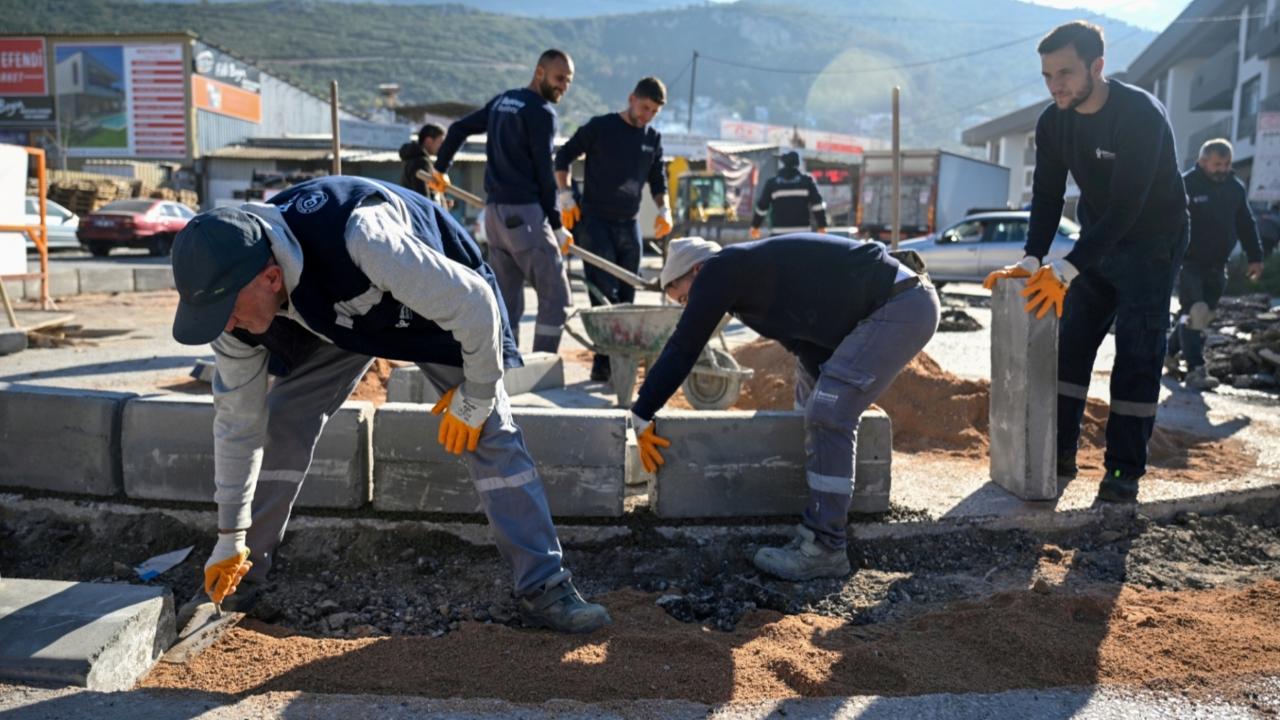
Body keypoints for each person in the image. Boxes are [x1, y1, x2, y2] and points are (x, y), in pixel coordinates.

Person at [170, 175, 611, 634]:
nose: (227, 324)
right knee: (281, 421)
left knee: (489, 431)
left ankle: (546, 587)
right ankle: (240, 579)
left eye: (229, 311)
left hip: (436, 309)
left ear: (271, 277)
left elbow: (476, 305)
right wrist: (228, 536)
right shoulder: (232, 314)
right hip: (341, 316)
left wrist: (477, 396)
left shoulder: (362, 237)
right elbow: (237, 424)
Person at [630, 236, 939, 581]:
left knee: (828, 413)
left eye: (685, 297)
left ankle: (825, 546)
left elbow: (684, 345)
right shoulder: (746, 283)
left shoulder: (721, 269)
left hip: (901, 306)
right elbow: (805, 340)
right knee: (813, 393)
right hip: (891, 306)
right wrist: (822, 393)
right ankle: (811, 526)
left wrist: (643, 411)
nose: (690, 306)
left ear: (697, 270)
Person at [984, 21, 1189, 504]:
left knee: (1137, 354)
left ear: (1097, 67)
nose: (1056, 85)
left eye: (1066, 73)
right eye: (1047, 75)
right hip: (1099, 238)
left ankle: (1123, 471)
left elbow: (1128, 207)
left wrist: (1069, 266)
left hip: (1153, 244)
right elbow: (1048, 195)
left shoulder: (1139, 114)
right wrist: (1034, 259)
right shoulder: (1053, 121)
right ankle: (1059, 453)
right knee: (1071, 347)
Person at [430, 50, 576, 353]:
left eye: (569, 81)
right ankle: (542, 363)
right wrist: (558, 224)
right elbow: (544, 174)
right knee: (556, 296)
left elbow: (458, 129)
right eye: (559, 78)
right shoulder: (541, 112)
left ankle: (504, 363)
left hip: (494, 217)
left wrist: (440, 168)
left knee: (506, 299)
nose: (564, 85)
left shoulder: (503, 101)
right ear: (540, 72)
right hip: (524, 217)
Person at [554, 76, 674, 381]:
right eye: (644, 107)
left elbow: (657, 179)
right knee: (603, 293)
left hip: (628, 223)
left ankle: (623, 357)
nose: (647, 115)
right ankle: (603, 360)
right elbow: (563, 156)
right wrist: (566, 196)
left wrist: (665, 208)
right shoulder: (601, 127)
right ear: (632, 98)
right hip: (595, 221)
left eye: (653, 112)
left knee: (627, 293)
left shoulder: (652, 139)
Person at [1165, 139, 1264, 391]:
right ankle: (1196, 370)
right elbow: (1167, 222)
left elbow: (1246, 223)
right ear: (1202, 162)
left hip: (1218, 265)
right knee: (1195, 312)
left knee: (1200, 316)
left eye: (1227, 164)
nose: (1223, 169)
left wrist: (1255, 257)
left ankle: (1167, 351)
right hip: (1189, 263)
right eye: (1217, 164)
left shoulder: (1235, 188)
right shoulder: (1186, 184)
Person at [749, 150, 827, 239]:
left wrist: (755, 226)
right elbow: (817, 205)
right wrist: (822, 226)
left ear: (784, 164)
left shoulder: (773, 183)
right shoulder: (806, 182)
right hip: (802, 235)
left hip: (779, 235)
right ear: (797, 165)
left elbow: (762, 207)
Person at [399, 122, 446, 198]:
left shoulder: (412, 158)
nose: (443, 147)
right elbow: (423, 198)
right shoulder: (421, 162)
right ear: (429, 141)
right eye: (440, 142)